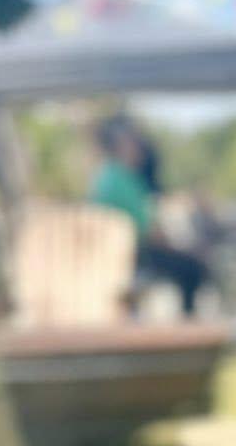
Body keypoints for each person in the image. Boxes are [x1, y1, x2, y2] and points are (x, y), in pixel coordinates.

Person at [88, 115, 209, 317]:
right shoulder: (123, 179)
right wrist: (184, 249)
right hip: (130, 257)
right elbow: (150, 233)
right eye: (134, 142)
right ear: (123, 145)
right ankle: (188, 324)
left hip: (111, 256)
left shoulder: (105, 175)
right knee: (192, 269)